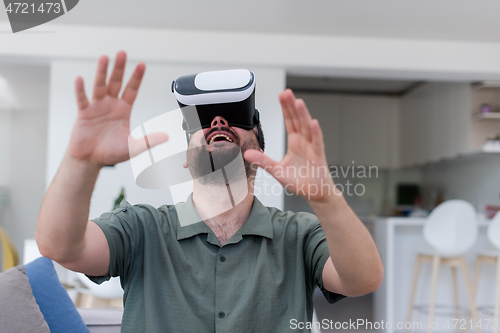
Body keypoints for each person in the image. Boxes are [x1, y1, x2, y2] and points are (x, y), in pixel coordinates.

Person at [36, 51, 383, 333]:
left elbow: (363, 280)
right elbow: (60, 247)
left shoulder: (298, 234)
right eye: (203, 121)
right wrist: (81, 161)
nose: (218, 122)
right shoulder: (142, 228)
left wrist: (326, 197)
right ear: (187, 159)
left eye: (233, 117)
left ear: (259, 153)